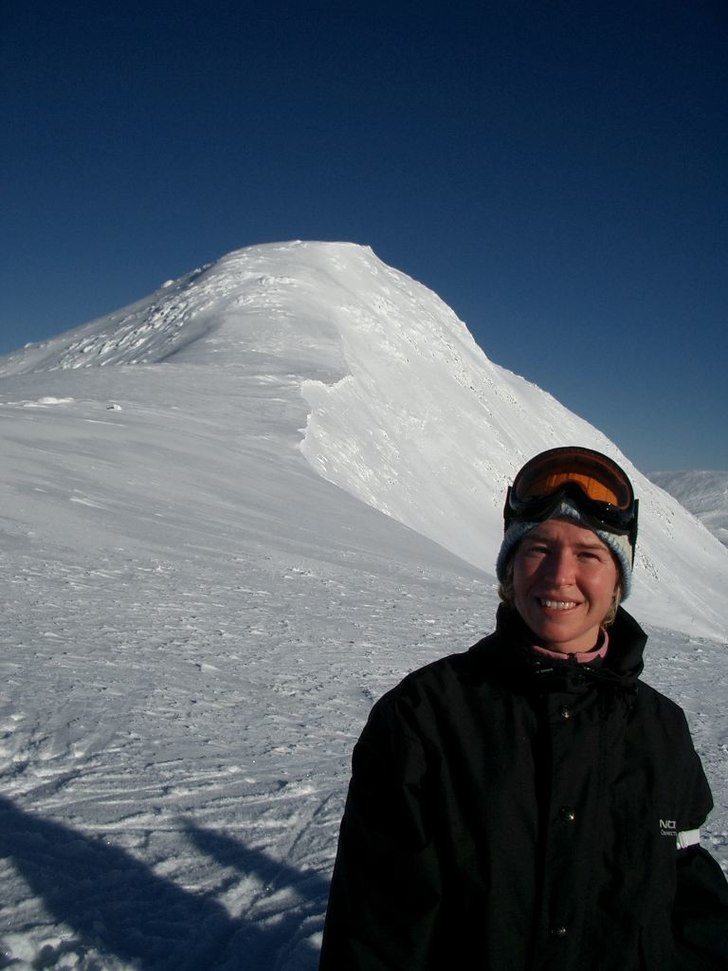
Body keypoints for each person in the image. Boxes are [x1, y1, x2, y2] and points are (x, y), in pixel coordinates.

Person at [319, 446, 728, 970]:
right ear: (511, 570)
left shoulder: (661, 728)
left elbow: (692, 903)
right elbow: (377, 928)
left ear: (617, 583)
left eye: (588, 554)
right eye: (538, 549)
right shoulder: (424, 717)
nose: (559, 576)